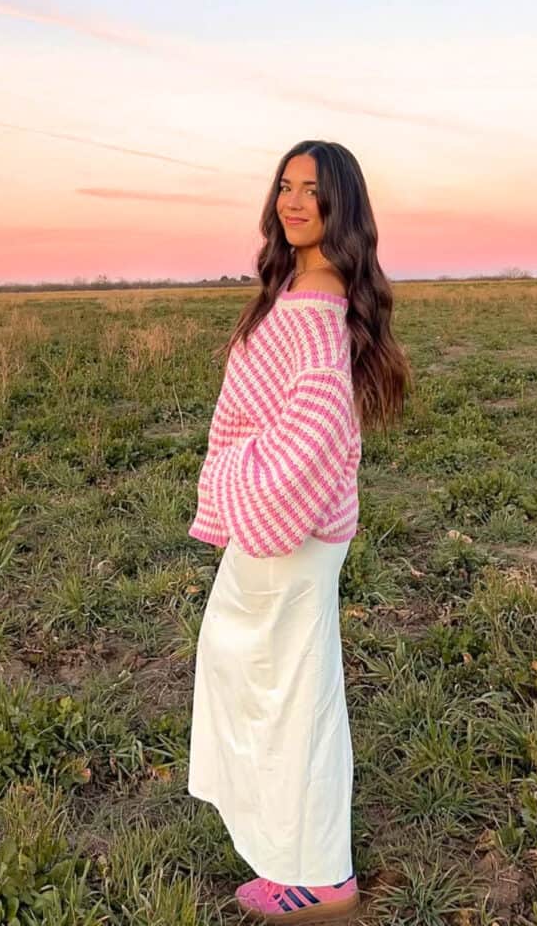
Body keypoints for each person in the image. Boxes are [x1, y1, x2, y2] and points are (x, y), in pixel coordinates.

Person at [187, 140, 412, 923]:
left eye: (310, 191)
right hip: (297, 522)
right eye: (284, 186)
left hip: (288, 526)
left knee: (287, 693)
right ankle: (303, 858)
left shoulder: (315, 293)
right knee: (276, 683)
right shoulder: (311, 282)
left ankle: (318, 878)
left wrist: (250, 491)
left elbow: (314, 421)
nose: (292, 202)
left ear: (338, 205)